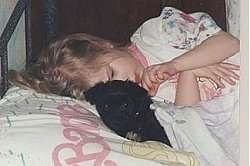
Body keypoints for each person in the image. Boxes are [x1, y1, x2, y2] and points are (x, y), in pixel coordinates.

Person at [9, 7, 239, 107]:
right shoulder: (140, 100)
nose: (123, 83)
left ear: (106, 46)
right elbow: (192, 121)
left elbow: (230, 43)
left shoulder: (155, 34)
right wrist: (189, 74)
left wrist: (176, 65)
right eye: (111, 86)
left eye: (112, 72)